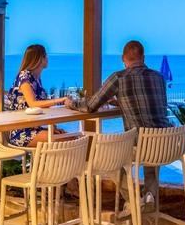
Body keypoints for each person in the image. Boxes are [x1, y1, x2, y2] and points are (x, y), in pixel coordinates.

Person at [68, 40, 168, 204]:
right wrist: (121, 101)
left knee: (109, 159)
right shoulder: (159, 77)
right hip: (164, 144)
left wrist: (71, 103)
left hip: (142, 145)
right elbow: (153, 107)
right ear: (143, 57)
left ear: (123, 58)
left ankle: (134, 200)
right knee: (151, 135)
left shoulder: (119, 78)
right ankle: (150, 196)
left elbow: (91, 106)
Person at [6, 44, 67, 146]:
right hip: (21, 132)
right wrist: (61, 100)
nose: (47, 58)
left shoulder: (36, 78)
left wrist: (53, 127)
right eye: (45, 56)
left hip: (34, 127)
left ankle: (50, 162)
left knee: (69, 137)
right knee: (66, 140)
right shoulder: (24, 77)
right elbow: (33, 103)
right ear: (38, 59)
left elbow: (43, 105)